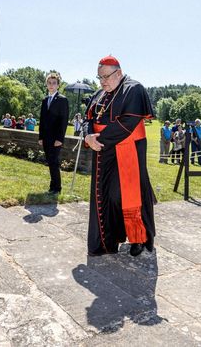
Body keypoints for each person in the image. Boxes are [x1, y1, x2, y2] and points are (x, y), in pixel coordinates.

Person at [83, 55, 156, 257]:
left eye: (106, 76)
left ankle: (137, 238)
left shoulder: (133, 89)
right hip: (103, 152)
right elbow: (88, 119)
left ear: (119, 72)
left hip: (126, 150)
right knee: (107, 196)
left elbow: (127, 124)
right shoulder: (99, 93)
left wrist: (98, 140)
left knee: (125, 196)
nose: (102, 81)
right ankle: (108, 240)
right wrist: (88, 137)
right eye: (99, 77)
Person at [38, 72, 70, 194]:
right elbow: (42, 119)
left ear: (58, 85)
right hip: (46, 137)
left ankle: (57, 188)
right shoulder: (45, 100)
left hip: (56, 138)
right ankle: (52, 186)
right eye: (49, 83)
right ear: (47, 84)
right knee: (50, 161)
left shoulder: (62, 100)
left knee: (54, 162)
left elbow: (64, 121)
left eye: (54, 83)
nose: (51, 85)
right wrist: (40, 137)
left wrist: (60, 139)